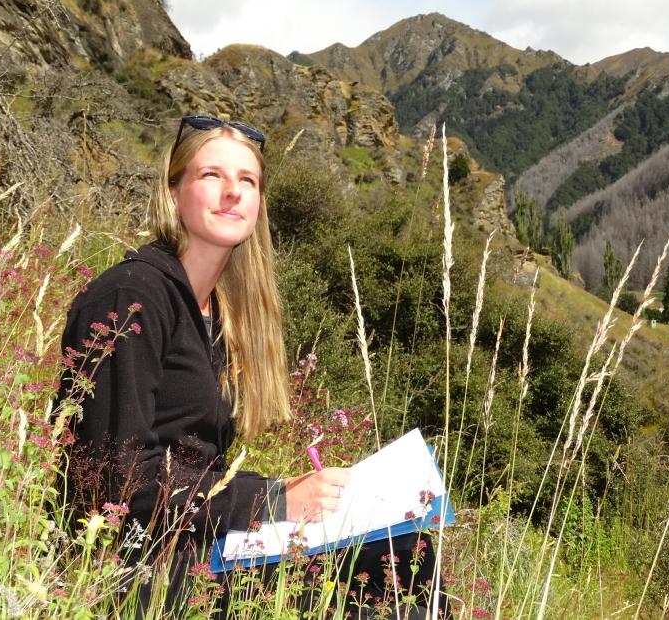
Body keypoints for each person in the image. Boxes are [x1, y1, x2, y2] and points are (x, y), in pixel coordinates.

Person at [57, 115, 444, 619]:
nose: (231, 193)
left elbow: (194, 468)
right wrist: (272, 502)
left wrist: (283, 496)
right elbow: (116, 482)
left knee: (401, 549)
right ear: (174, 192)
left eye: (248, 181)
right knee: (385, 577)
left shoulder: (216, 312)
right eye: (211, 175)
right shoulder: (133, 297)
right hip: (133, 566)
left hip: (191, 541)